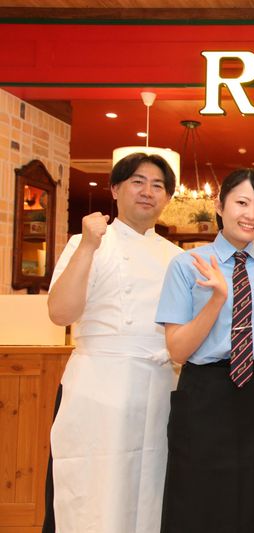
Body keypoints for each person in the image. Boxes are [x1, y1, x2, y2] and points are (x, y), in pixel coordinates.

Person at [156, 168, 254, 533]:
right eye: (241, 202)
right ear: (219, 206)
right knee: (198, 496)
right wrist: (217, 299)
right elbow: (178, 351)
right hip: (205, 390)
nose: (251, 214)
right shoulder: (188, 264)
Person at [46, 152, 181, 533]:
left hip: (158, 387)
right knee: (95, 486)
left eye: (158, 185)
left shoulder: (177, 258)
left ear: (168, 198)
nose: (148, 191)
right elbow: (60, 313)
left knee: (149, 487)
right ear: (115, 189)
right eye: (138, 182)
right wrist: (89, 246)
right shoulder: (86, 242)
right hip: (98, 385)